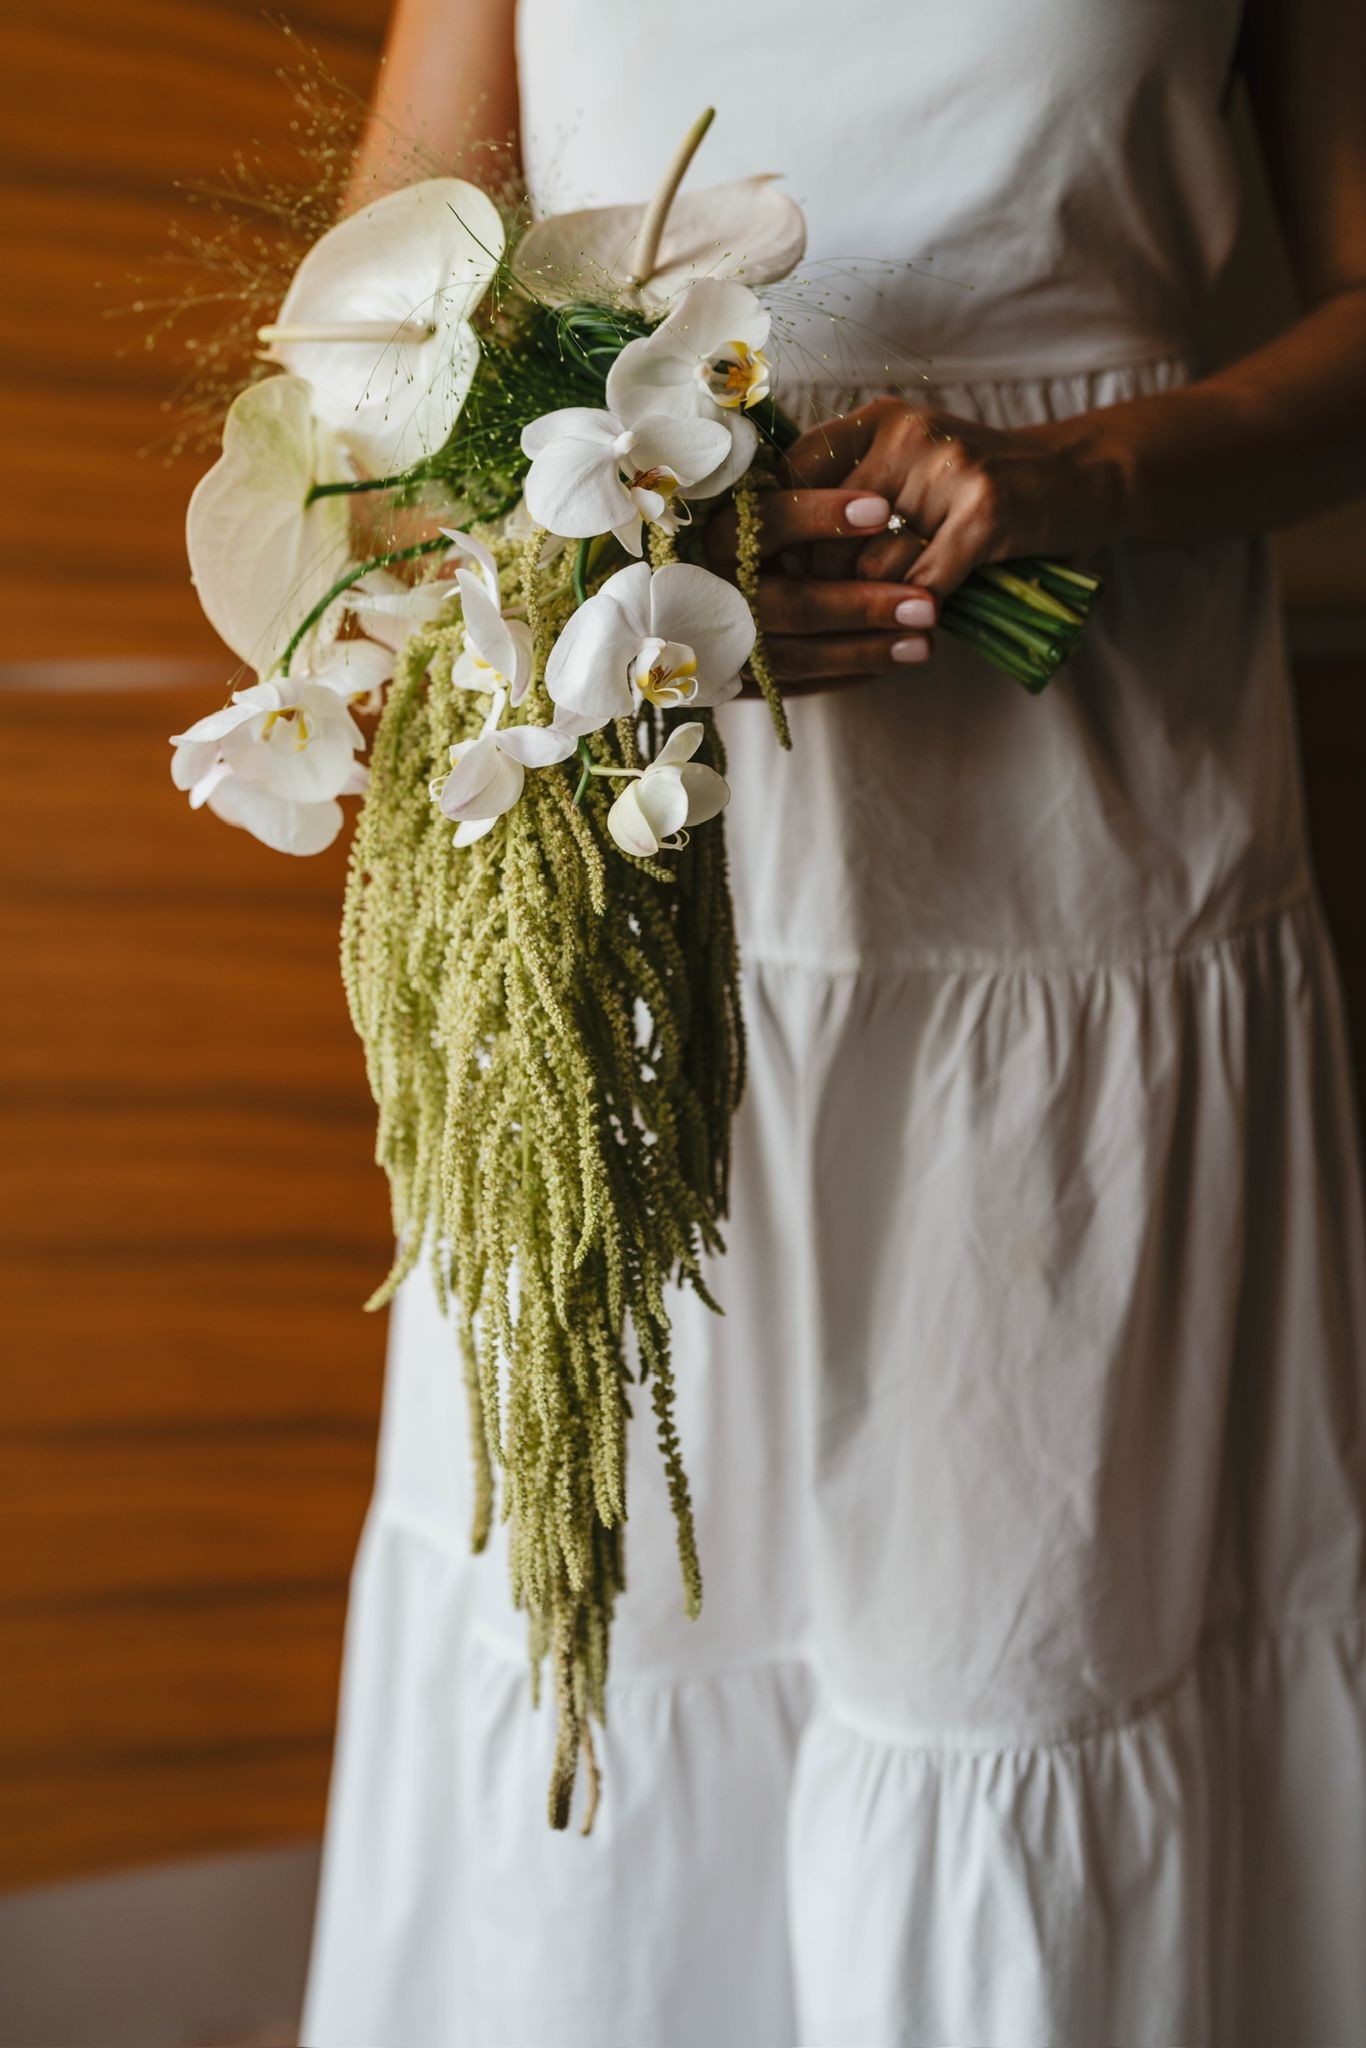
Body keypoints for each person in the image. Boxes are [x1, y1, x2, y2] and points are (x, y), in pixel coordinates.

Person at [303, 2, 1366, 2042]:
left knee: (1022, 1647)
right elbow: (358, 362)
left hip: (1075, 903)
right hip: (627, 871)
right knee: (606, 1633)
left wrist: (1071, 469)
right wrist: (602, 537)